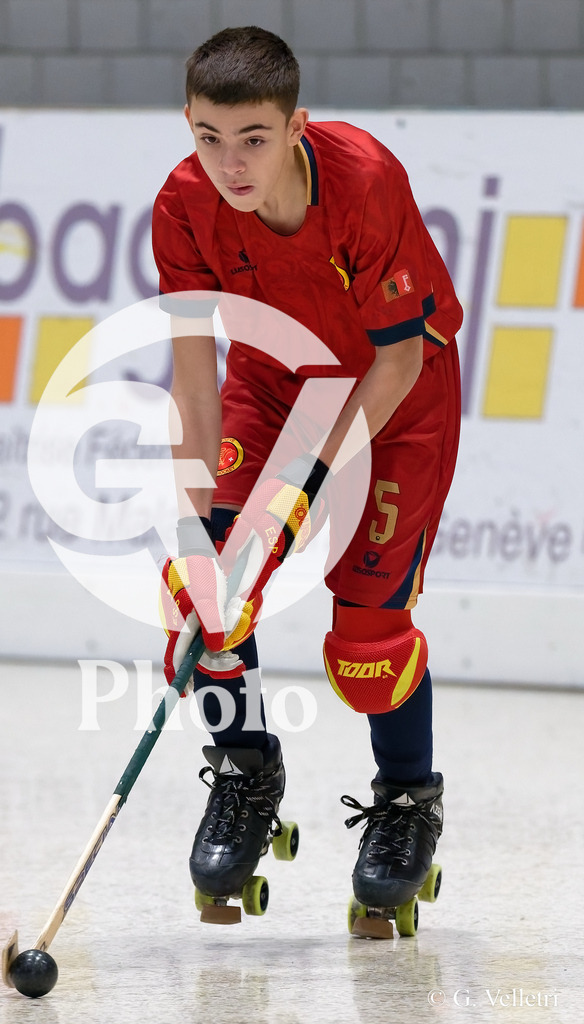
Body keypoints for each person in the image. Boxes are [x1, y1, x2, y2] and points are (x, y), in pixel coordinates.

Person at [152, 26, 462, 925]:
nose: (229, 165)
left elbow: (398, 364)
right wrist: (201, 533)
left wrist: (297, 497)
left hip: (394, 393)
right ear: (188, 126)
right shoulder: (181, 203)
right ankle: (245, 774)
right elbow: (191, 372)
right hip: (271, 381)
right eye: (208, 138)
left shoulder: (363, 179)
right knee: (202, 588)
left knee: (369, 640)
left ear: (297, 126)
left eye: (252, 139)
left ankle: (406, 802)